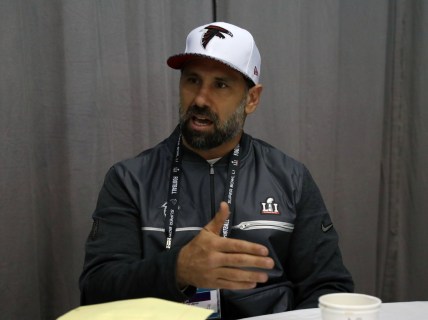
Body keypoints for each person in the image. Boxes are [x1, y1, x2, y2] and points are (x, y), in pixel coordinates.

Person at [79, 22, 354, 319]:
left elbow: (328, 287)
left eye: (220, 85)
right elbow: (96, 291)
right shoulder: (129, 179)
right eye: (192, 81)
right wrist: (178, 269)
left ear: (251, 99)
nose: (200, 99)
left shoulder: (291, 178)